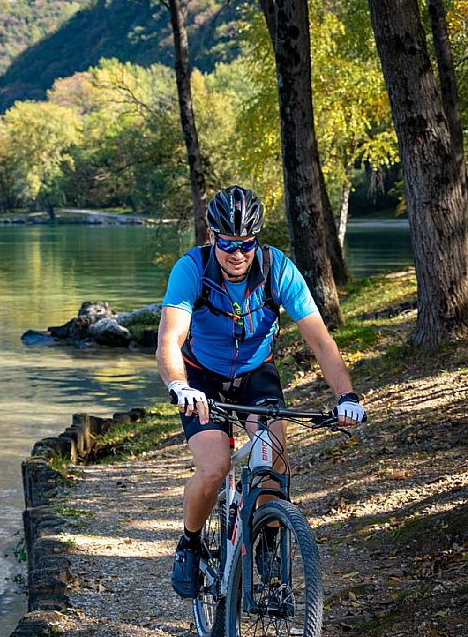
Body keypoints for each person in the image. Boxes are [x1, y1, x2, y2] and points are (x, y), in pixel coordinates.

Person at [156, 185, 365, 599]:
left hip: (256, 374)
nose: (237, 254)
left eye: (246, 244)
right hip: (201, 378)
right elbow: (169, 338)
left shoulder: (278, 269)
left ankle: (269, 542)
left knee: (273, 462)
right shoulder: (191, 269)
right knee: (214, 468)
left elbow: (321, 342)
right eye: (228, 243)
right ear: (212, 236)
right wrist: (178, 384)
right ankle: (190, 543)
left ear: (257, 240)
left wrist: (347, 396)